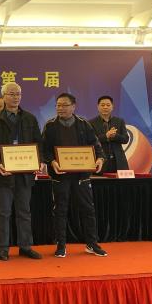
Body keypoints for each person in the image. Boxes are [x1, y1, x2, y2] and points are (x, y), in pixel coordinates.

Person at [42, 92, 107, 258]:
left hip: (81, 176)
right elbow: (44, 149)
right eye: (58, 105)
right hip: (60, 175)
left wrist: (100, 158)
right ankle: (61, 245)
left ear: (73, 106)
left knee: (88, 209)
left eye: (64, 105)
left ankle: (92, 244)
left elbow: (95, 144)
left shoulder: (83, 124)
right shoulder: (50, 126)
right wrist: (52, 162)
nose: (60, 108)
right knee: (60, 210)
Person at [0, 83, 44, 261]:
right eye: (11, 94)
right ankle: (3, 248)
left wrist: (39, 161)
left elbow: (38, 143)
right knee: (3, 212)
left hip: (25, 173)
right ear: (3, 96)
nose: (16, 97)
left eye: (18, 94)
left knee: (24, 211)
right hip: (4, 173)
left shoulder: (30, 118)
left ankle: (25, 246)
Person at [89, 96, 129, 173]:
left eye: (108, 105)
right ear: (98, 107)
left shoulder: (119, 121)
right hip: (101, 160)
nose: (105, 107)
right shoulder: (91, 123)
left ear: (112, 107)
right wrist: (106, 136)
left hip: (118, 161)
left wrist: (115, 136)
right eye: (102, 105)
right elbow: (90, 141)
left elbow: (125, 139)